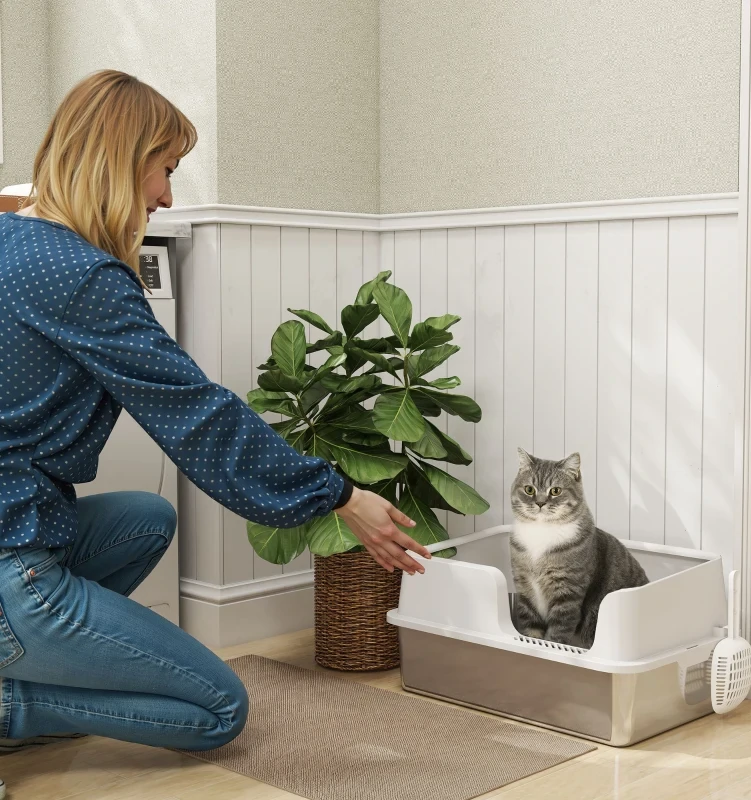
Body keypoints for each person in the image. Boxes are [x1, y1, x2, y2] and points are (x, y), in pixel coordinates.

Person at [0, 70, 430, 754]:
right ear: (117, 159)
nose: (168, 196)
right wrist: (343, 495)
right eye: (164, 169)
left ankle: (35, 660)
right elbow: (201, 418)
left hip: (15, 520)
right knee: (214, 709)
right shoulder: (82, 276)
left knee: (147, 518)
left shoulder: (11, 240)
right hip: (10, 559)